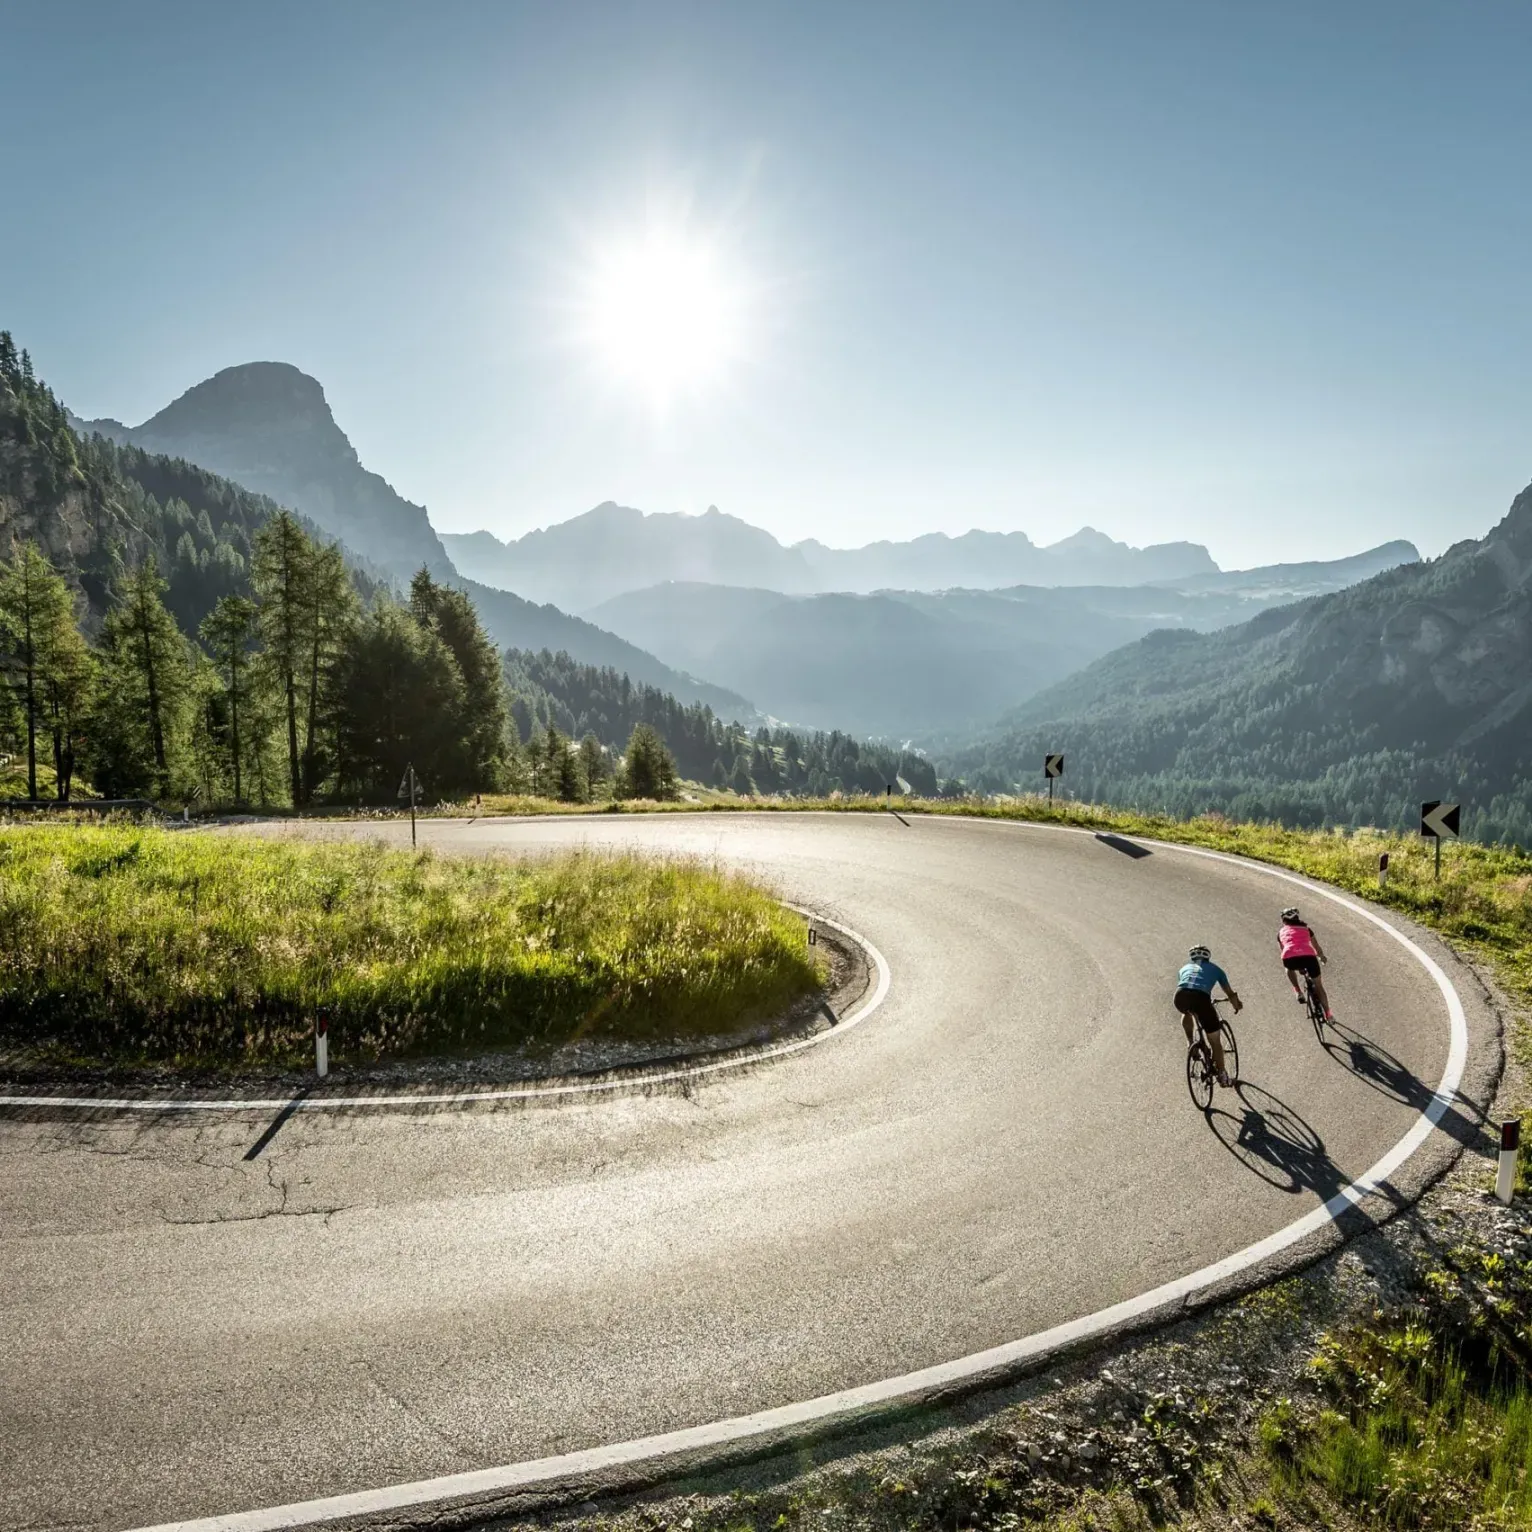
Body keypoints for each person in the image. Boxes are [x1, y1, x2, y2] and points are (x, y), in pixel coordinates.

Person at [1174, 944, 1242, 1088]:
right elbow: (1229, 993)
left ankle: (1190, 1043)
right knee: (1215, 1041)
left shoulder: (1183, 969)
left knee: (1186, 1011)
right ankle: (1223, 1076)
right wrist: (1236, 1004)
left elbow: (1188, 986)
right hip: (1201, 999)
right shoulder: (1216, 970)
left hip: (1180, 996)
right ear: (1208, 957)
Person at [1278, 906, 1332, 1020]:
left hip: (1290, 957)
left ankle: (1297, 990)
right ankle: (1328, 1014)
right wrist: (1321, 957)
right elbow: (1316, 946)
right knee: (1318, 986)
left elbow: (1283, 950)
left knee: (1288, 968)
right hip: (1309, 957)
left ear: (1283, 920)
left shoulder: (1281, 932)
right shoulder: (1306, 929)